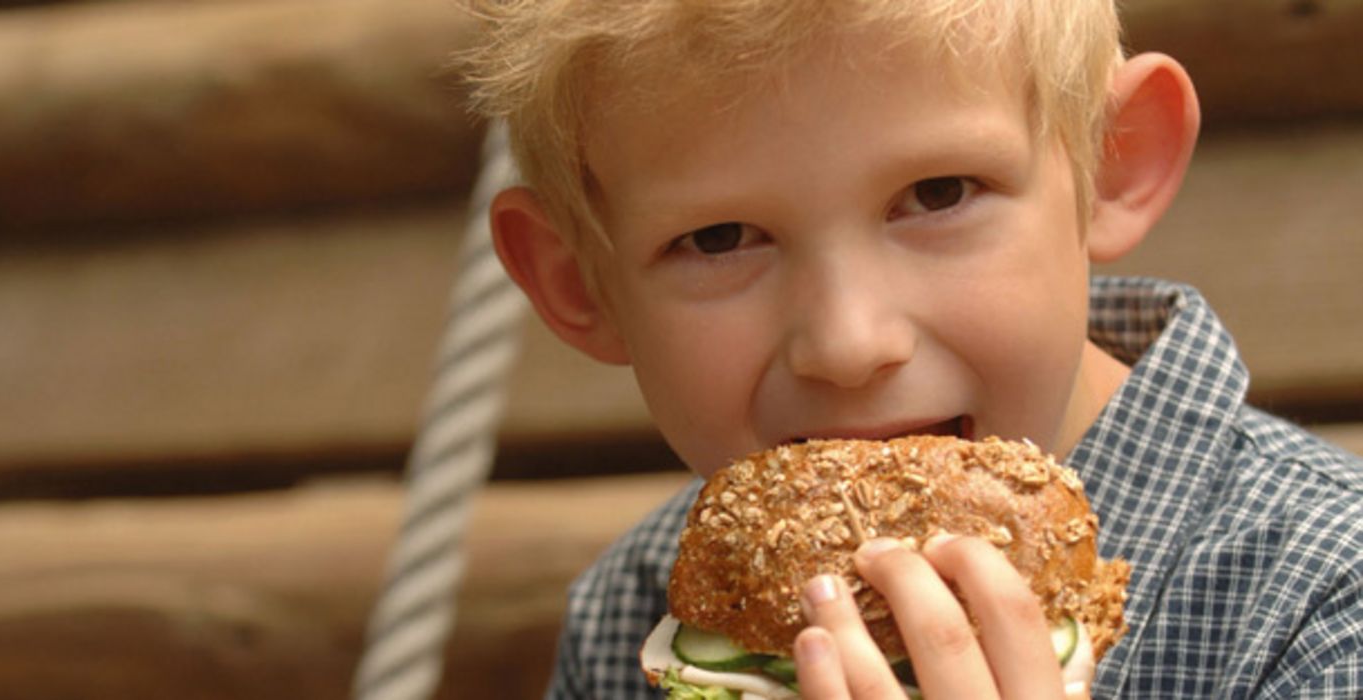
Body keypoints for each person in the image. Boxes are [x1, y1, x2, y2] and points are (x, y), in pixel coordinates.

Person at [461, 1, 1363, 697]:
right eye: (718, 237)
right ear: (581, 285)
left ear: (1114, 159)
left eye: (936, 193)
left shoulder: (1325, 600)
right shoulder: (637, 608)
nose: (849, 344)